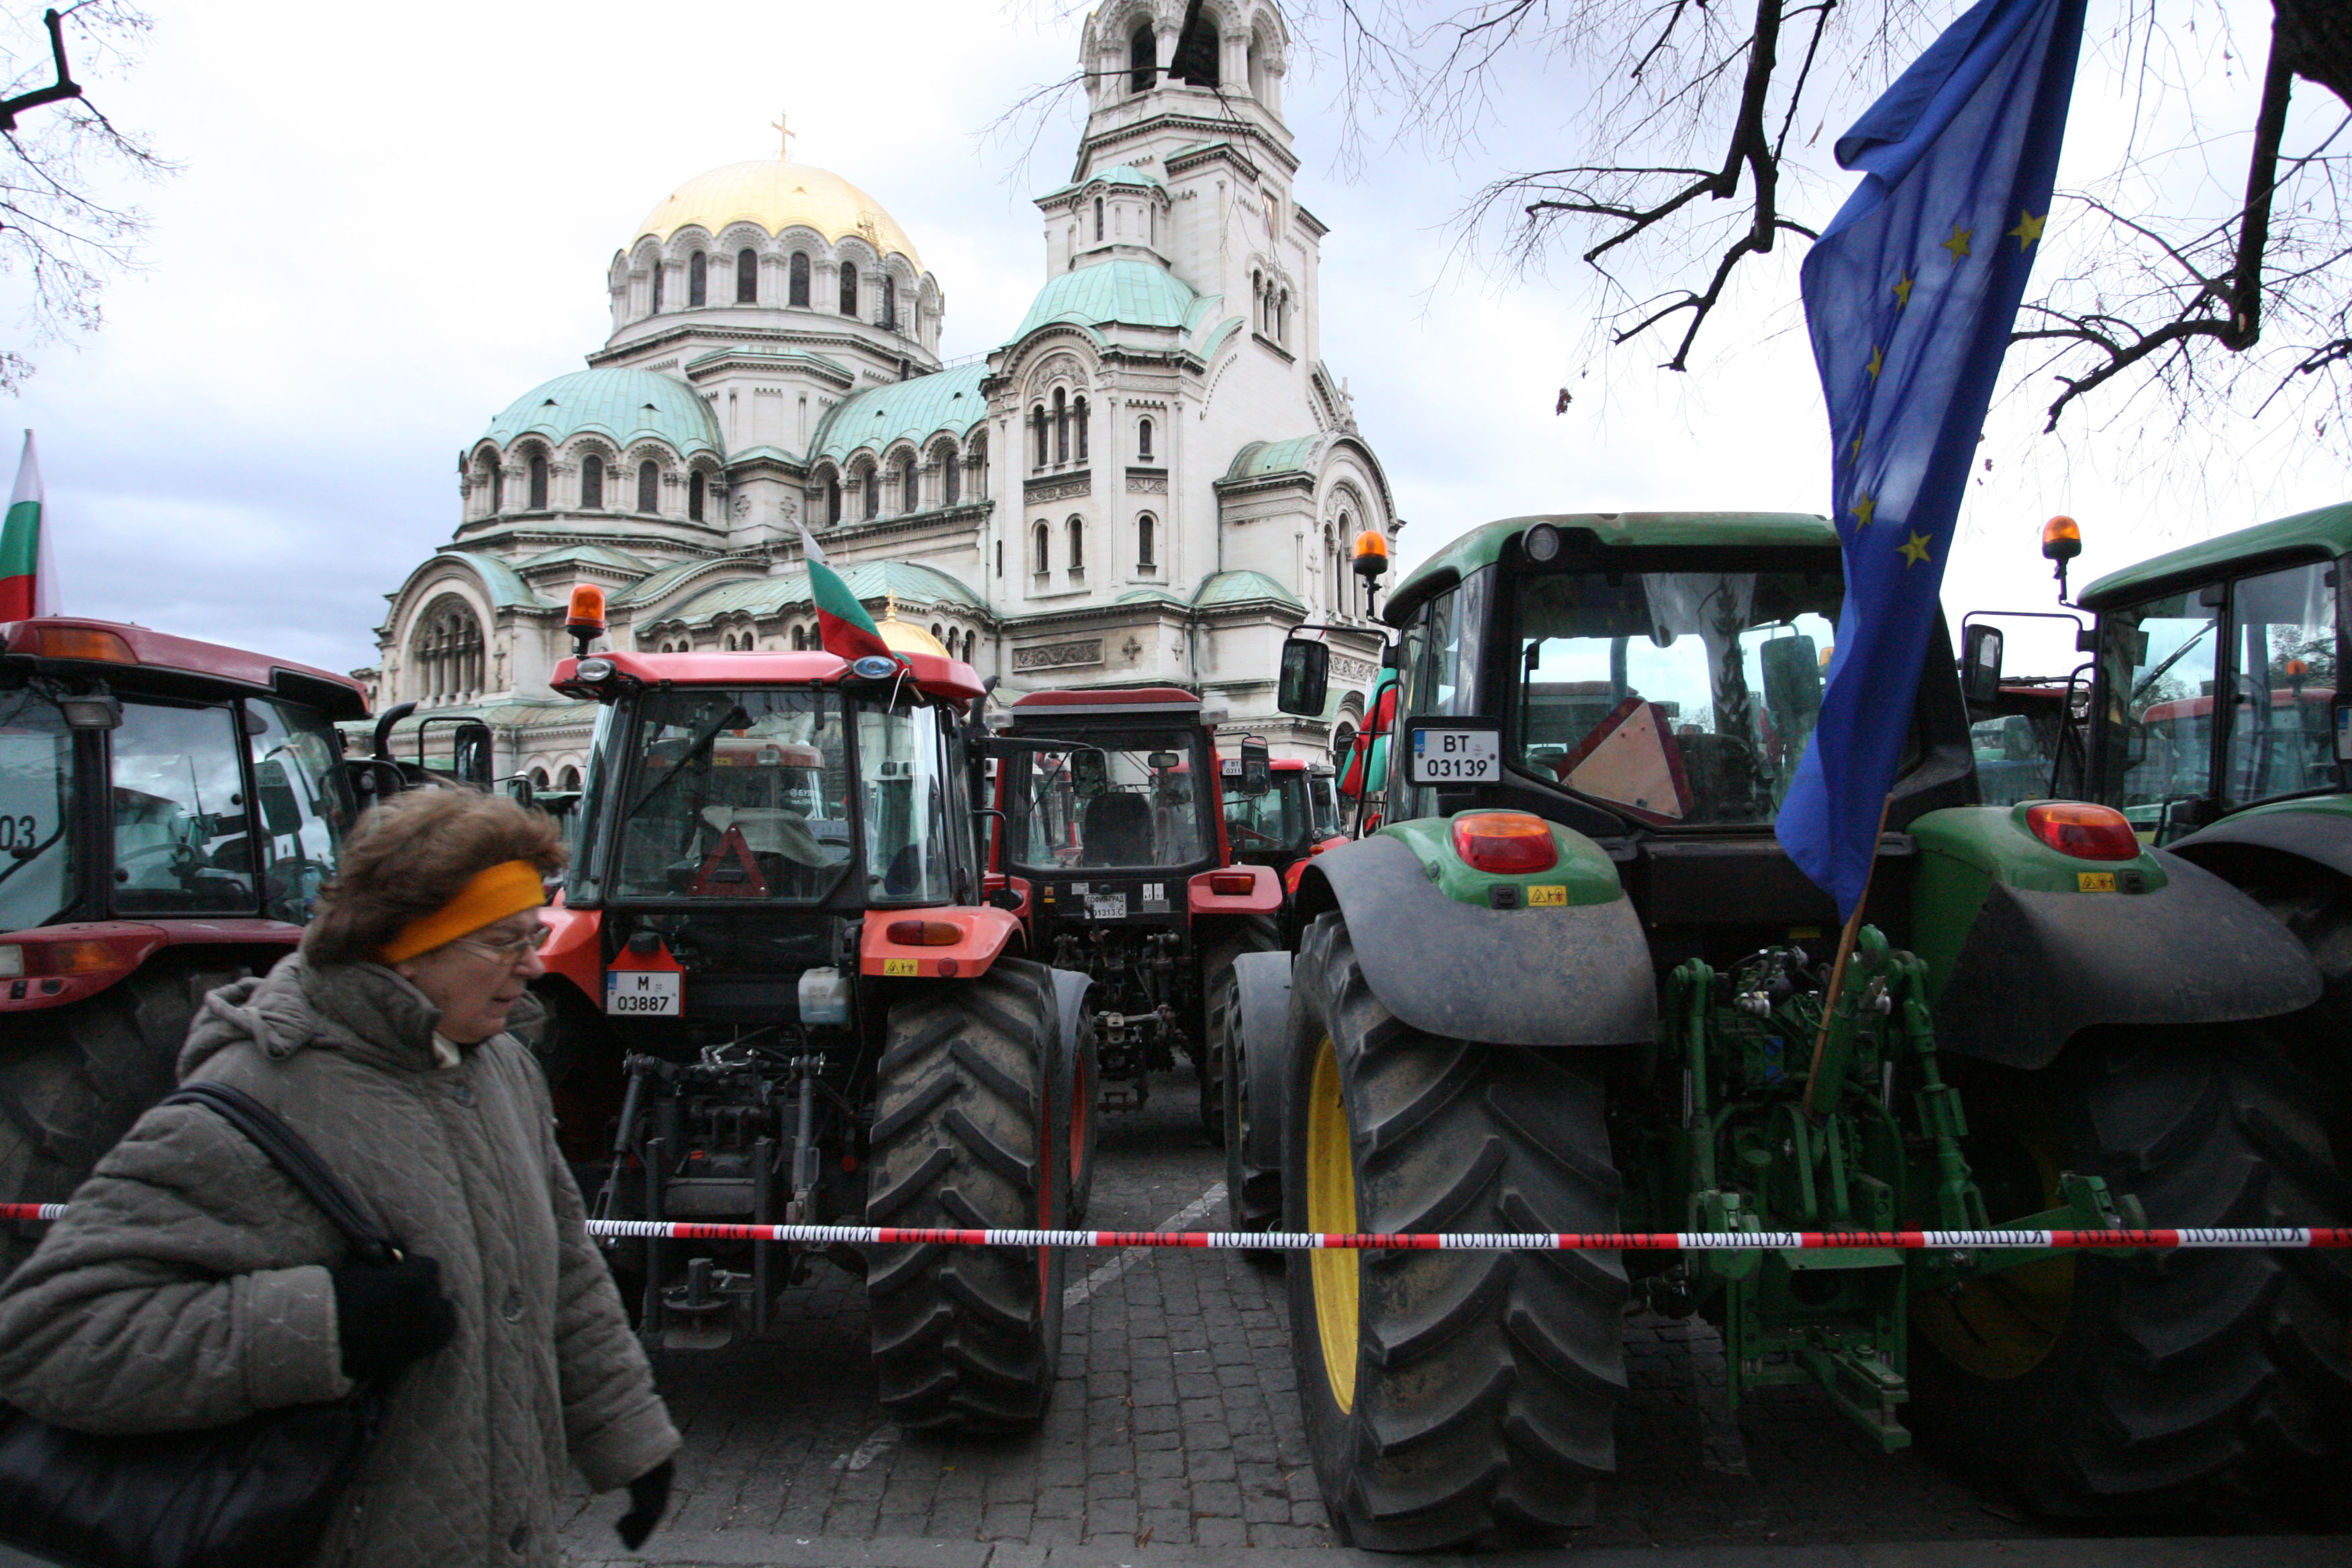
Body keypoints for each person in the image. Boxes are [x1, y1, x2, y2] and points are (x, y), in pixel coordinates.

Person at [0, 789, 679, 1566]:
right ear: (408, 944)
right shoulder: (262, 1092)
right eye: (501, 939)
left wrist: (630, 1439)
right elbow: (47, 1337)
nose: (532, 963)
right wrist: (325, 1326)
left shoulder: (501, 1071)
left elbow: (565, 1266)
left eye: (532, 933)